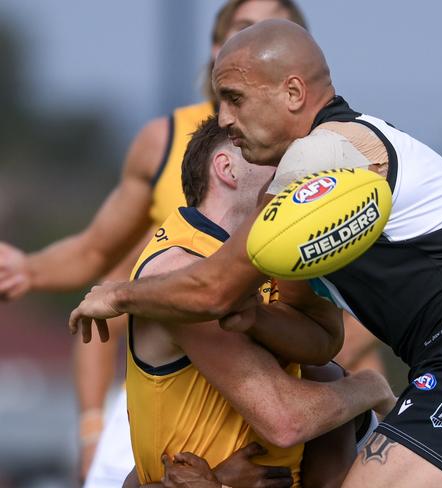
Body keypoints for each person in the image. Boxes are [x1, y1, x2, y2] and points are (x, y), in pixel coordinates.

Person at [70, 20, 442, 487]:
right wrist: (253, 316)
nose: (224, 117)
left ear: (293, 92)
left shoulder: (321, 158)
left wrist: (120, 293)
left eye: (234, 98)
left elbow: (212, 288)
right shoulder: (362, 158)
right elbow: (321, 337)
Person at [0, 1, 319, 485]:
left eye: (274, 33)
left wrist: (350, 381)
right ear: (218, 51)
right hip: (170, 389)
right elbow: (99, 262)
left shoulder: (315, 155)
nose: (256, 43)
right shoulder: (169, 141)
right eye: (243, 31)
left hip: (275, 397)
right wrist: (29, 268)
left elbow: (334, 319)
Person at [123, 115, 393, 486]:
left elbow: (321, 354)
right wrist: (367, 387)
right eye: (267, 158)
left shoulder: (265, 259)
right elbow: (286, 421)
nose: (289, 168)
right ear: (226, 168)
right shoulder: (182, 270)